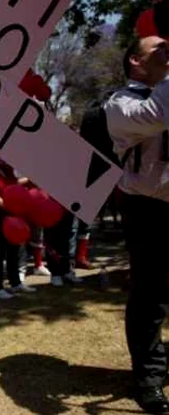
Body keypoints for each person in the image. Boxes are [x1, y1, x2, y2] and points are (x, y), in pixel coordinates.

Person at [105, 34, 169, 414]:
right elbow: (162, 114)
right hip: (149, 210)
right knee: (150, 296)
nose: (167, 50)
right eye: (158, 48)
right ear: (135, 61)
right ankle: (149, 378)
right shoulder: (121, 103)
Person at [0, 150, 36, 299]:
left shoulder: (6, 169)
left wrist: (28, 181)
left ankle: (15, 283)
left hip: (12, 217)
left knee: (13, 251)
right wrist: (12, 207)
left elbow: (15, 185)